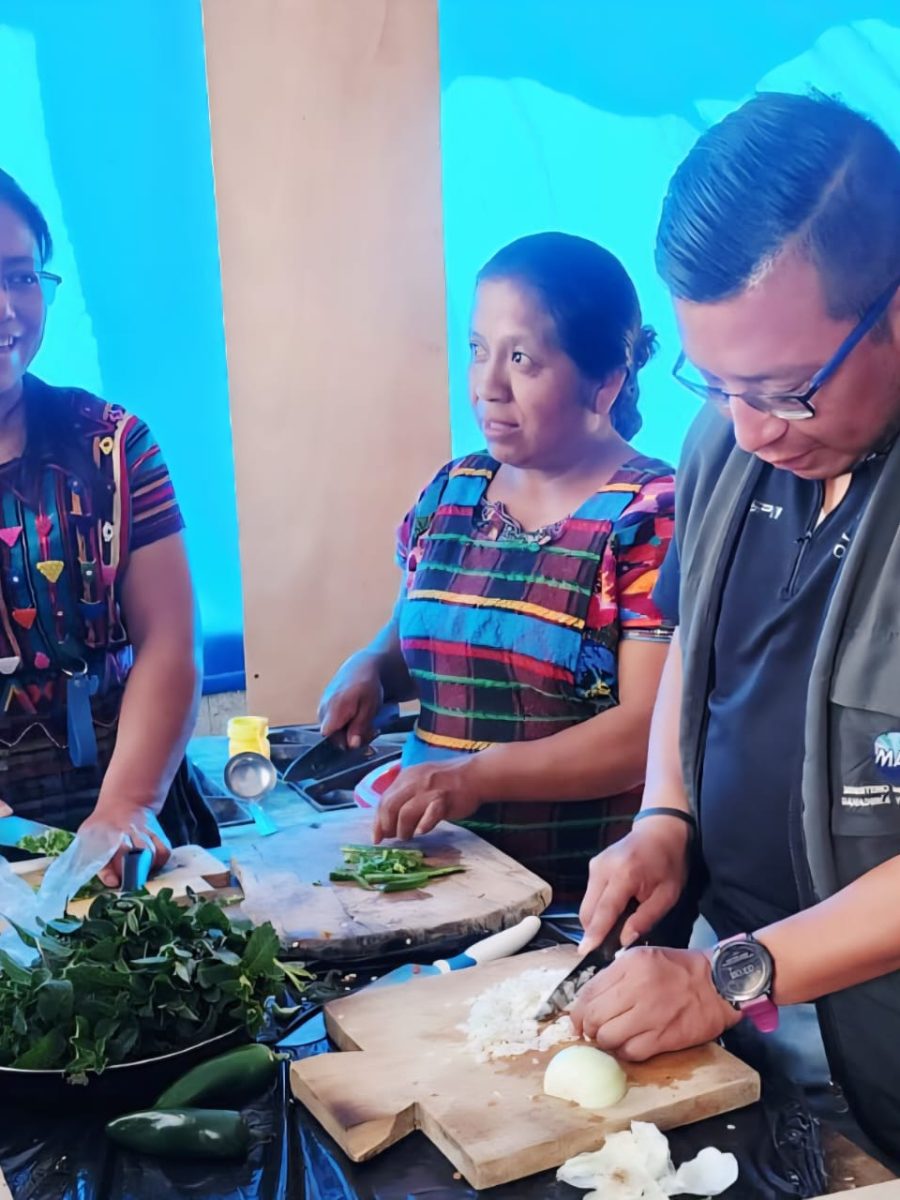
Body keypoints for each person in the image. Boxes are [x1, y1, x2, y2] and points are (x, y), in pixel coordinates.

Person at [573, 92, 900, 1160]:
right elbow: (691, 651)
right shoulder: (724, 443)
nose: (753, 429)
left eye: (786, 390)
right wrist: (665, 816)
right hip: (744, 1029)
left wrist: (730, 976)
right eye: (716, 383)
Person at [319, 232, 675, 902]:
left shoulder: (651, 517)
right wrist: (372, 669)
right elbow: (419, 638)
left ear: (604, 382)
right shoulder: (452, 492)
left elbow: (646, 733)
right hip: (431, 879)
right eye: (478, 350)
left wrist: (476, 777)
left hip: (578, 897)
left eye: (521, 359)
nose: (488, 386)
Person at [0, 168, 217, 884]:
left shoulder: (116, 448)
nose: (6, 308)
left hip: (133, 840)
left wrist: (125, 806)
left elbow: (169, 643)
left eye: (22, 277)